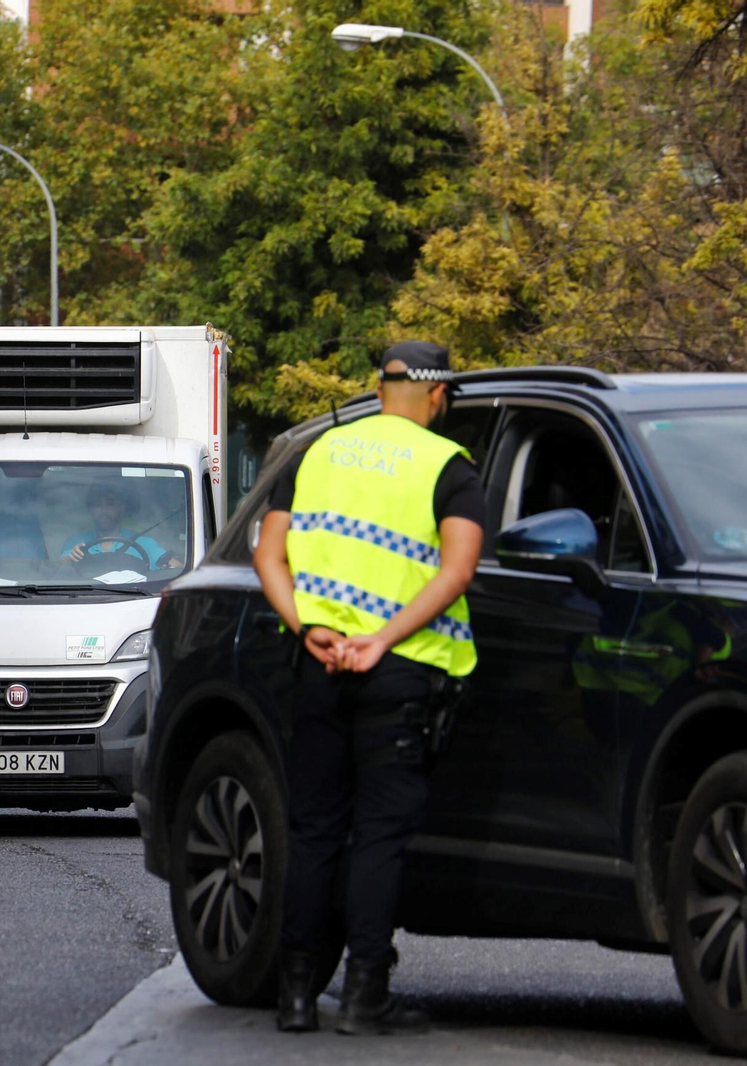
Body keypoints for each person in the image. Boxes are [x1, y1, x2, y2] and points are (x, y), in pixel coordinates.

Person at [252, 341, 483, 1036]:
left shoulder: (318, 452)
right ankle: (363, 995)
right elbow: (458, 570)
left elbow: (269, 554)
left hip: (317, 667)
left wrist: (308, 629)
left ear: (380, 388)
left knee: (315, 829)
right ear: (438, 397)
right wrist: (380, 640)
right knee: (378, 837)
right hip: (401, 671)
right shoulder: (447, 464)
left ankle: (296, 998)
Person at [58, 484, 180, 571]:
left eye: (110, 503)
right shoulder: (77, 543)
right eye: (96, 504)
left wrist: (167, 570)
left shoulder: (144, 542)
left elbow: (178, 570)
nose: (103, 510)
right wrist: (72, 558)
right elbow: (59, 569)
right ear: (90, 510)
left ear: (122, 508)